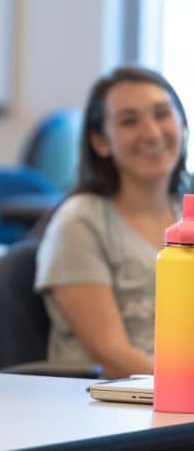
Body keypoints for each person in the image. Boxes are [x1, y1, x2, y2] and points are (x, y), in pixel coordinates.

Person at [35, 66, 189, 377]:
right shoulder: (79, 222)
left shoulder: (187, 210)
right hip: (123, 406)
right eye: (130, 121)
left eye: (161, 114)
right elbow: (112, 355)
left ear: (183, 126)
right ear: (100, 142)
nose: (152, 132)